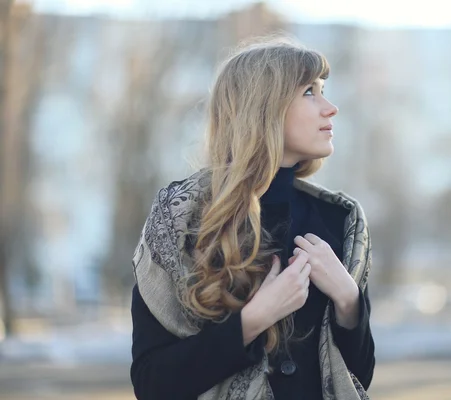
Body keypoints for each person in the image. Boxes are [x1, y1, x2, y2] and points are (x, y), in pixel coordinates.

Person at [130, 37, 375, 400]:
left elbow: (360, 377)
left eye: (324, 90)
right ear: (264, 106)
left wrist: (349, 301)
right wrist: (252, 322)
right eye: (310, 92)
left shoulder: (341, 220)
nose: (331, 108)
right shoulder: (180, 220)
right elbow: (152, 384)